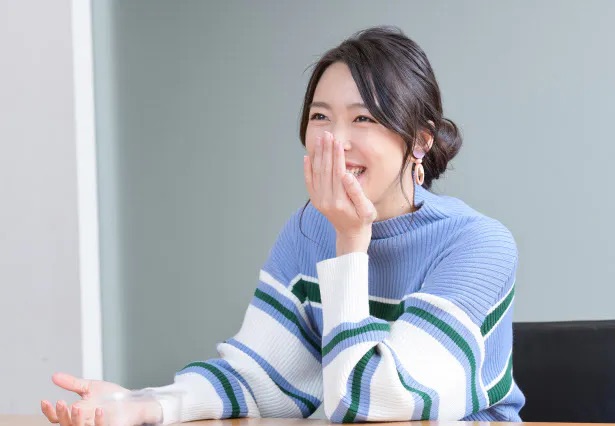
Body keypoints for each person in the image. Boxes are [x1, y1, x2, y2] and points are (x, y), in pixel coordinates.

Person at [41, 26, 525, 425]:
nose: (335, 141)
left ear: (419, 141)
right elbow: (259, 376)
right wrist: (145, 405)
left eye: (363, 119)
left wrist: (350, 243)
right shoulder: (310, 230)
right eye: (321, 117)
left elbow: (370, 406)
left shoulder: (478, 246)